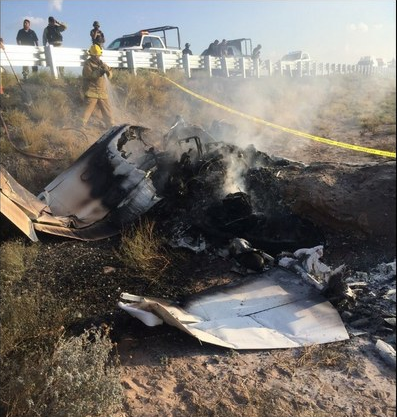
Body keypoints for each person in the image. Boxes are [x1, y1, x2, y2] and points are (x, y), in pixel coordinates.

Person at [81, 44, 114, 128]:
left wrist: (107, 72)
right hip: (91, 91)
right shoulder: (87, 64)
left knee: (107, 111)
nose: (97, 57)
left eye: (98, 55)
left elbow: (110, 75)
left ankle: (111, 126)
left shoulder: (103, 63)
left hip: (102, 92)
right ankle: (81, 126)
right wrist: (99, 72)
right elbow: (89, 75)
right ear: (91, 55)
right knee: (87, 110)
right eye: (95, 55)